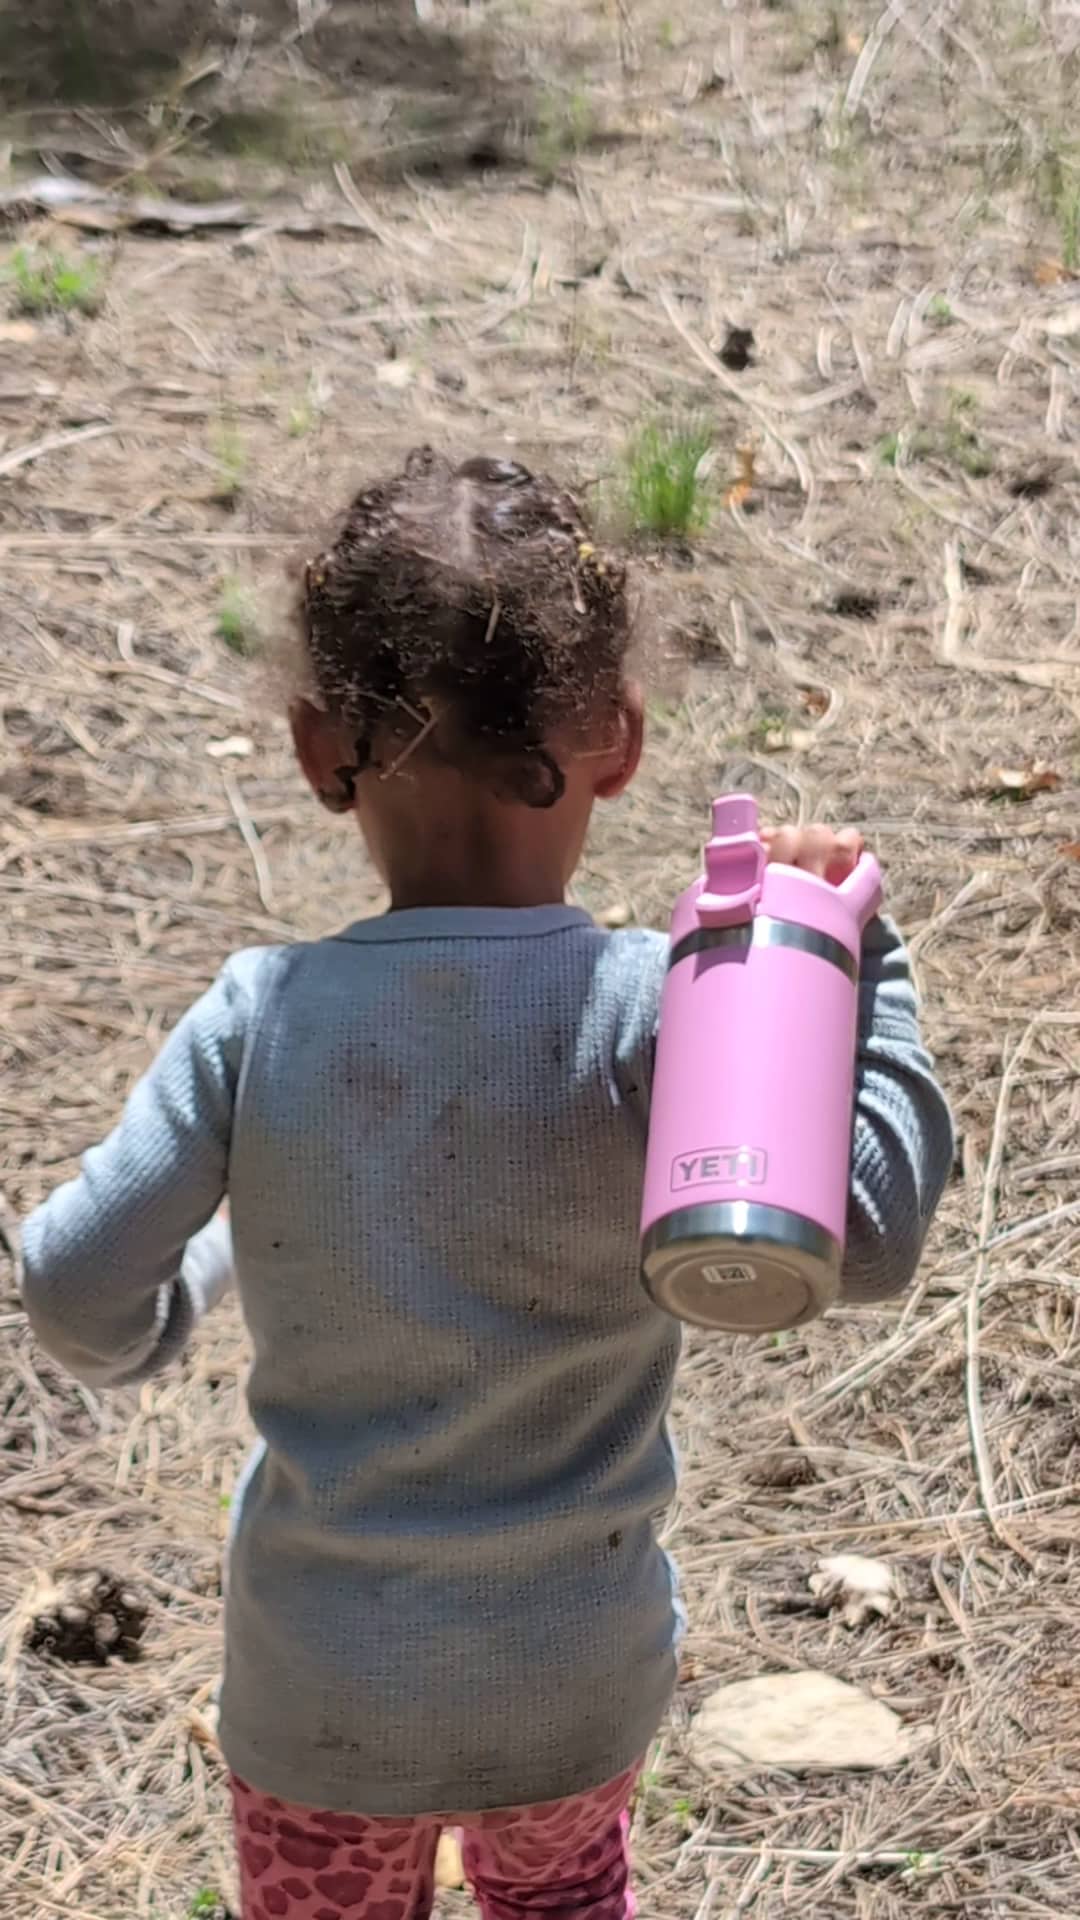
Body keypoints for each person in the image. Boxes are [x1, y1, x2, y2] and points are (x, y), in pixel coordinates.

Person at [21, 449, 953, 1920]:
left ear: (319, 748)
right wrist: (856, 968)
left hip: (322, 1692)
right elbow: (874, 1237)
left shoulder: (262, 1018)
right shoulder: (669, 1016)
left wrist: (162, 1316)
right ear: (621, 741)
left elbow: (71, 1282)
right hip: (570, 1689)